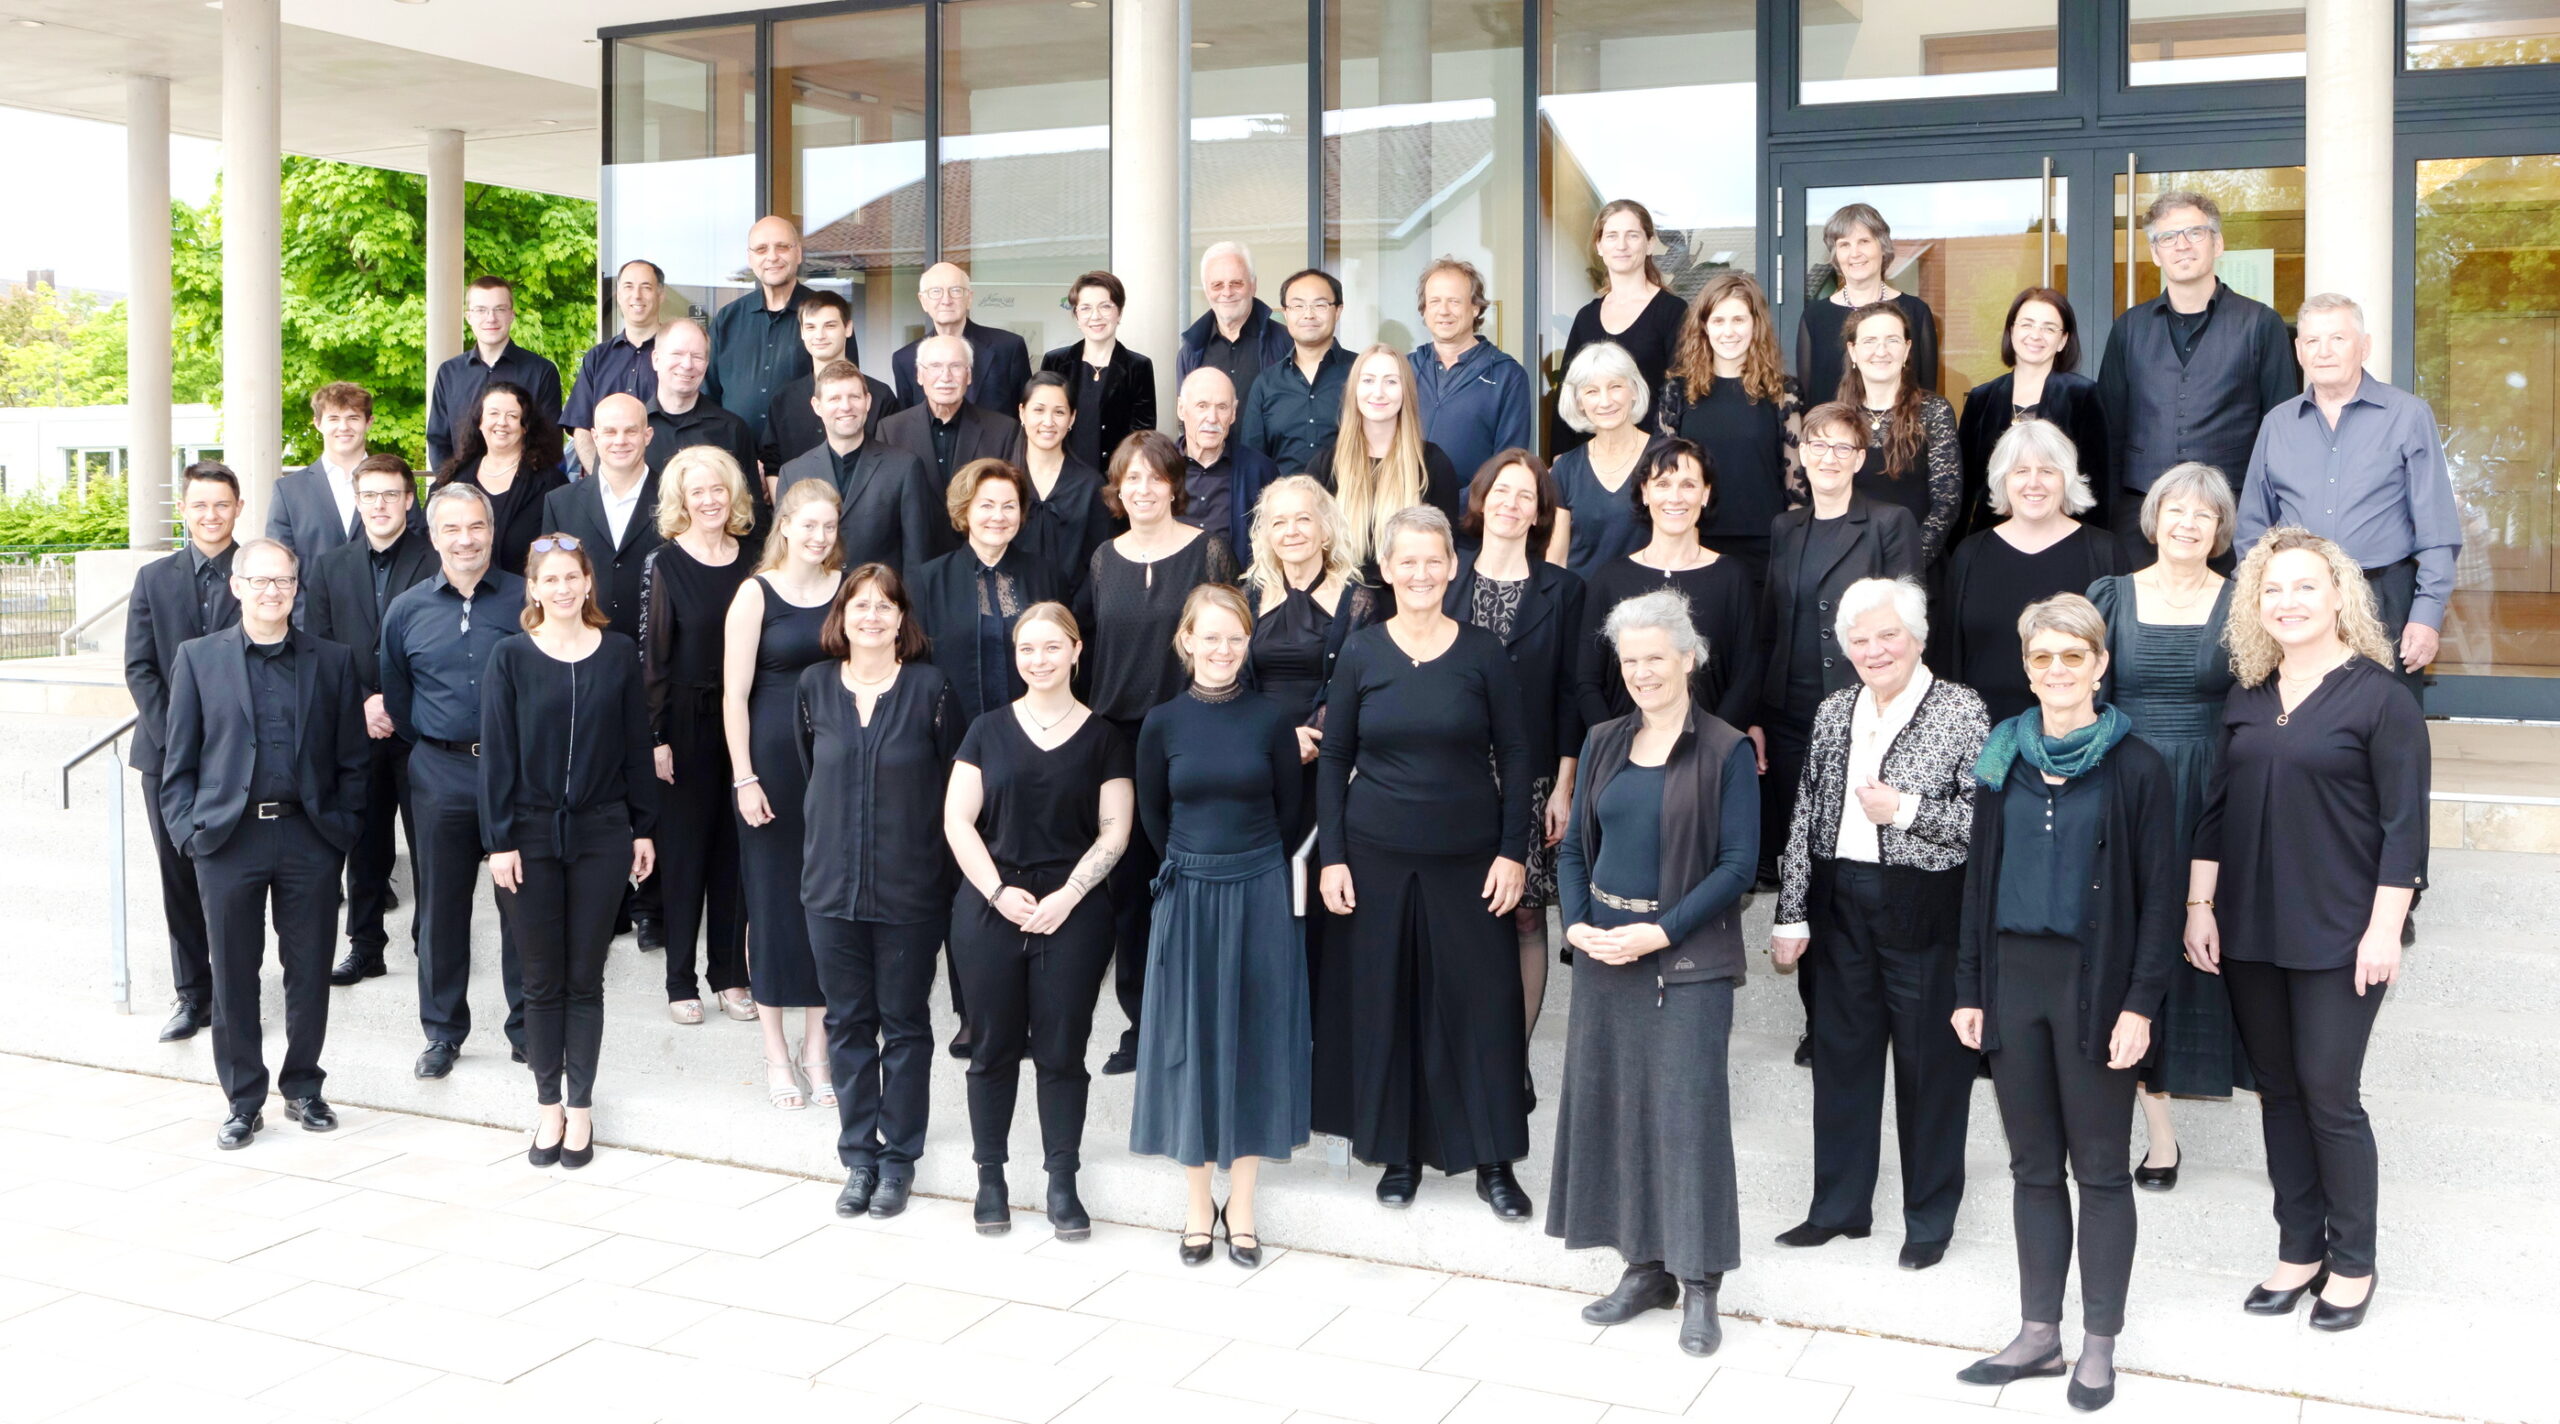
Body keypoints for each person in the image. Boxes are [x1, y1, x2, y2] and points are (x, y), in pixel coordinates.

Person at [2188, 527, 2426, 1334]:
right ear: (2255, 606)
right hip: (2251, 928)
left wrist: (2385, 931)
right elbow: (2215, 813)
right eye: (2272, 589)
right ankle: (2299, 1249)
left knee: (2328, 1093)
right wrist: (2199, 908)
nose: (2287, 602)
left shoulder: (2382, 699)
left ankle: (2352, 1261)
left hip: (2341, 933)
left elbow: (2404, 830)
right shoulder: (2249, 694)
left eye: (2304, 586)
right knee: (2280, 1093)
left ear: (2338, 598)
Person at [1951, 593, 2181, 1412]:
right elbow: (1978, 882)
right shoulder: (2000, 759)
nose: (2057, 671)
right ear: (2027, 667)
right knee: (2032, 1167)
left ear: (2100, 664)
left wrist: (2139, 1005)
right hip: (2013, 983)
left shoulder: (2138, 767)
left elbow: (2160, 900)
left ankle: (2099, 1344)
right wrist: (1970, 987)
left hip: (2096, 988)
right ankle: (2039, 1333)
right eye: (2042, 657)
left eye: (2072, 656)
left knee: (2102, 1171)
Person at [1550, 589, 1759, 1357]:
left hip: (1684, 962)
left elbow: (1738, 866)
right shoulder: (1603, 739)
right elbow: (1575, 845)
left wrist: (1659, 933)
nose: (1641, 672)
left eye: (1654, 658)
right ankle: (1646, 1269)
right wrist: (1576, 924)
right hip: (1604, 954)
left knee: (1687, 1121)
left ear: (1689, 658)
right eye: (1629, 660)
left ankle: (1699, 1282)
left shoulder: (1725, 749)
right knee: (1620, 1113)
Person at [1317, 504, 1535, 1219]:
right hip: (1375, 860)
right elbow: (1335, 758)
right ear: (1386, 569)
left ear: (1451, 567)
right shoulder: (1361, 652)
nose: (1419, 573)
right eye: (1405, 561)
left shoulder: (1483, 652)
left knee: (1483, 1007)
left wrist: (1512, 853)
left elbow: (1517, 753)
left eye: (1431, 560)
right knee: (1389, 1004)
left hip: (1470, 861)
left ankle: (1494, 1161)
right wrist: (1332, 858)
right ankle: (1399, 1154)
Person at [1770, 576, 1987, 1270]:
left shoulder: (1961, 709)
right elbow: (1806, 812)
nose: (1874, 650)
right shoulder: (1835, 710)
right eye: (1859, 640)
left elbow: (1986, 822)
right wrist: (1791, 910)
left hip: (1925, 907)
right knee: (1840, 1062)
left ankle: (1929, 1221)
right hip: (1840, 904)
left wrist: (1907, 810)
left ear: (1917, 638)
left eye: (1888, 635)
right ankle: (1837, 1209)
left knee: (1931, 1072)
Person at [158, 537, 369, 1149]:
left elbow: (353, 759)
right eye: (260, 580)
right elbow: (179, 760)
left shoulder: (332, 661)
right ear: (237, 586)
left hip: (309, 837)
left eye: (284, 581)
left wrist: (343, 830)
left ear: (297, 588)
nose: (272, 591)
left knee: (308, 971)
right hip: (229, 840)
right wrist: (190, 833)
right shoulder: (198, 658)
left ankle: (303, 1087)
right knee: (233, 974)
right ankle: (243, 1100)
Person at [1134, 584, 1309, 1267]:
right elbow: (1154, 815)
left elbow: (1289, 812)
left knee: (1256, 1039)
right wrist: (1195, 865)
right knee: (1190, 1042)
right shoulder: (1162, 723)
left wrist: (1245, 867)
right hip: (1189, 894)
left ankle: (1242, 1203)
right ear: (1186, 641)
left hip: (1259, 891)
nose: (1223, 649)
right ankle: (1196, 1202)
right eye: (1210, 637)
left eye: (1235, 637)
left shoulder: (1271, 720)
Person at [944, 601, 1132, 1239]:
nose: (1039, 659)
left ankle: (1062, 1181)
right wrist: (997, 891)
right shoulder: (986, 729)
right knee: (991, 1049)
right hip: (991, 905)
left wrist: (1069, 895)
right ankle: (990, 1179)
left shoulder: (1105, 737)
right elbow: (957, 821)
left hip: (1072, 911)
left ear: (1077, 651)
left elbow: (1114, 832)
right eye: (1027, 648)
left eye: (1053, 646)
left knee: (1061, 1052)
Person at [1751, 403, 1926, 1066]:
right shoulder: (1785, 527)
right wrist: (1758, 715)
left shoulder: (1888, 523)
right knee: (1808, 866)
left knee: (1866, 868)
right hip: (1791, 722)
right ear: (1802, 455)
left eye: (1842, 447)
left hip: (1867, 718)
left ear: (1860, 458)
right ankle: (1820, 1020)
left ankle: (1877, 1015)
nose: (1827, 457)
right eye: (1816, 445)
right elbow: (1770, 628)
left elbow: (1911, 623)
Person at [482, 534, 659, 1171]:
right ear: (533, 589)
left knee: (585, 978)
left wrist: (642, 828)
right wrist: (499, 841)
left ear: (588, 584)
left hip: (602, 833)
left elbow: (636, 745)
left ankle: (580, 1106)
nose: (562, 588)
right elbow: (497, 756)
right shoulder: (510, 657)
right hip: (528, 836)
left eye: (571, 577)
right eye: (549, 579)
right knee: (540, 981)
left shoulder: (618, 653)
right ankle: (547, 1104)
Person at [798, 564, 966, 1220]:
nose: (871, 616)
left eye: (884, 606)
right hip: (829, 889)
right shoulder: (813, 687)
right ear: (841, 617)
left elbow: (955, 787)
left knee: (904, 1025)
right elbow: (810, 774)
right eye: (859, 605)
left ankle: (898, 1160)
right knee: (846, 1024)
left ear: (902, 619)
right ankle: (858, 1159)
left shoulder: (930, 689)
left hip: (910, 890)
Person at [1076, 431, 1243, 1076]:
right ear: (1117, 490)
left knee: (1193, 878)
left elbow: (1231, 639)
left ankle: (1197, 1022)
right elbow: (1090, 646)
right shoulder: (1103, 559)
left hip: (1192, 732)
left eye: (1155, 477)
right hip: (1118, 739)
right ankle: (1142, 1024)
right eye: (1131, 479)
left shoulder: (1209, 550)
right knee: (1129, 887)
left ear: (1176, 485)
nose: (1143, 489)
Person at [2238, 293, 2462, 698]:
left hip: (2383, 599)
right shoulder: (2277, 424)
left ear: (2364, 346)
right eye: (2312, 341)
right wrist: (2259, 605)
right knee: (2300, 720)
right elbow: (2252, 528)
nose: (2323, 351)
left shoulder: (2408, 415)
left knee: (2387, 722)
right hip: (2297, 604)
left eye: (2337, 339)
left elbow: (2437, 531)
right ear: (2299, 352)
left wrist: (2426, 616)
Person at [381, 484, 528, 1078]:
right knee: (441, 908)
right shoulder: (406, 610)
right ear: (434, 536)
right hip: (439, 773)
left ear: (491, 531)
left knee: (522, 905)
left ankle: (527, 1029)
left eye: (476, 527)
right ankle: (442, 1032)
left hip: (516, 772)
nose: (465, 540)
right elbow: (398, 697)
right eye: (452, 528)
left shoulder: (527, 598)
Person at [1448, 451, 1587, 1037]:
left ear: (1539, 513)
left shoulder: (1565, 590)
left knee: (1527, 916)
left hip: (1530, 780)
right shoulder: (1445, 576)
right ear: (1481, 500)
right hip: (1451, 777)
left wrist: (1563, 786)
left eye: (1525, 495)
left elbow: (1570, 692)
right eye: (1501, 491)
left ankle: (1515, 1059)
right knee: (1460, 914)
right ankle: (1467, 1051)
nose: (1511, 504)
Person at [723, 482, 845, 1111]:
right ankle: (775, 1051)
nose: (820, 537)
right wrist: (743, 776)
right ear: (787, 526)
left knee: (826, 906)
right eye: (810, 525)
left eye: (830, 526)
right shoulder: (755, 593)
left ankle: (817, 1048)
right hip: (769, 767)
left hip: (835, 766)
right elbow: (733, 696)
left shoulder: (848, 589)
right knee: (772, 906)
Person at [2095, 192, 2297, 562]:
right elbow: (2109, 431)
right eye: (2168, 237)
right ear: (2155, 253)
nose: (2182, 245)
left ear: (2217, 243)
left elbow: (2281, 432)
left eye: (2194, 233)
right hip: (2141, 519)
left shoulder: (2261, 324)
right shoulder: (2128, 328)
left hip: (2232, 516)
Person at [304, 455, 437, 986]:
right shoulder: (328, 566)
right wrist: (363, 702)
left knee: (429, 846)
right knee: (363, 844)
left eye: (390, 495)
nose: (380, 505)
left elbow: (444, 648)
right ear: (357, 502)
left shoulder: (436, 559)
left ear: (409, 500)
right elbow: (317, 647)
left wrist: (396, 705)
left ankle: (432, 943)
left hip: (421, 729)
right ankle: (365, 947)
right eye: (370, 495)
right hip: (356, 728)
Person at [125, 462, 245, 1043]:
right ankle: (192, 993)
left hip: (239, 758)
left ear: (238, 507)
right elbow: (140, 667)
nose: (210, 515)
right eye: (199, 504)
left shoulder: (259, 573)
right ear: (183, 510)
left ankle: (234, 993)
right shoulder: (153, 578)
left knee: (232, 881)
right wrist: (178, 740)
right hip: (165, 756)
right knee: (178, 877)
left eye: (221, 504)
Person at [640, 447, 758, 1024]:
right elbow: (652, 658)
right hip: (684, 723)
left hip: (747, 719)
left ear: (733, 494)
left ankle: (730, 976)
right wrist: (656, 736)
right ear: (681, 501)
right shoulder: (665, 563)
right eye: (697, 492)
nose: (710, 500)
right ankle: (679, 980)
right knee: (685, 854)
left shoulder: (756, 559)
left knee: (736, 853)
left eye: (718, 489)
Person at [1933, 419, 2123, 724]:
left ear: (2067, 479)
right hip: (1981, 735)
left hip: (2075, 735)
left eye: (2047, 471)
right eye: (2021, 471)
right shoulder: (1969, 554)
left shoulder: (2104, 552)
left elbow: (2119, 659)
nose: (2033, 483)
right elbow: (1946, 659)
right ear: (2003, 480)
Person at [1577, 440, 1759, 732]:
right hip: (1624, 749)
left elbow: (1746, 678)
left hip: (1711, 750)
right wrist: (1613, 742)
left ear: (1705, 493)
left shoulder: (1732, 577)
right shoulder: (1608, 579)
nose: (1675, 497)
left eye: (1688, 485)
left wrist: (1713, 745)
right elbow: (1587, 681)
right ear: (1645, 492)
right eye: (1662, 484)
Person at [1655, 273, 1804, 590]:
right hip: (1692, 541)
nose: (1728, 331)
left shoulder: (1783, 392)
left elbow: (1796, 485)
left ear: (1756, 325)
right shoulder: (1677, 391)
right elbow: (1664, 475)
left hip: (1764, 547)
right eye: (1718, 320)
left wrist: (1792, 548)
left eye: (1738, 320)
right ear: (1704, 326)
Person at [914, 460, 1063, 721]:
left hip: (1034, 727)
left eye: (1009, 506)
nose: (998, 516)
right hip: (955, 729)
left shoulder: (1046, 576)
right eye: (986, 505)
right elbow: (918, 668)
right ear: (965, 510)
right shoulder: (928, 580)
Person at [1957, 288, 2106, 545]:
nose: (2036, 335)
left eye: (2049, 328)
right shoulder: (1981, 398)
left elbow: (2099, 480)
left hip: (2063, 537)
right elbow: (1965, 483)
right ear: (2011, 331)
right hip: (1992, 537)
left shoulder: (2082, 395)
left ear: (2063, 340)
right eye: (2027, 324)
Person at [773, 359, 938, 581]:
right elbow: (783, 553)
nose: (846, 406)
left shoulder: (904, 468)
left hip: (880, 597)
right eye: (834, 398)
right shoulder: (792, 473)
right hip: (814, 597)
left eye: (854, 397)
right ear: (817, 406)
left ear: (868, 401)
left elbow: (916, 559)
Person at [1306, 346, 1464, 569]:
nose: (1378, 392)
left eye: (1391, 381)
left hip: (1410, 588)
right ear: (1354, 390)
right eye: (1368, 380)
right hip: (1340, 587)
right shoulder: (1325, 466)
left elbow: (1444, 554)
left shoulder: (1433, 464)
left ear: (1406, 391)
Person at [1556, 199, 1688, 454]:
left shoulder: (1672, 312)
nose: (1622, 245)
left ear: (1650, 243)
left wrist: (1669, 457)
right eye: (1612, 236)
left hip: (1654, 457)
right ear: (1599, 246)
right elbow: (1569, 392)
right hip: (1594, 459)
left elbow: (1681, 393)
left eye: (1632, 235)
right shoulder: (1586, 318)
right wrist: (1562, 457)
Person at [1841, 302, 1962, 566]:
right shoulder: (1838, 417)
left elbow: (1946, 503)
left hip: (1916, 566)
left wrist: (1906, 562)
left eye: (1892, 340)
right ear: (1853, 350)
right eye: (1870, 341)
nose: (1881, 351)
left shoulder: (1934, 411)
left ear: (1907, 349)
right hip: (1849, 565)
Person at [542, 393, 665, 648]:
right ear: (595, 437)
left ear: (648, 435)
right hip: (582, 650)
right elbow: (550, 578)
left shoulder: (674, 497)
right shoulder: (560, 502)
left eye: (630, 431)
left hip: (659, 650)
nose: (620, 441)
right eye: (610, 432)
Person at [705, 216, 826, 463]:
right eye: (761, 249)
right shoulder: (727, 320)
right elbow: (708, 397)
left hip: (805, 463)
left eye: (782, 247)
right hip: (734, 464)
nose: (772, 257)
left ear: (798, 253)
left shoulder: (824, 315)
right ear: (750, 258)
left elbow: (842, 387)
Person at [1796, 203, 1940, 406]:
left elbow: (1928, 395)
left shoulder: (1916, 312)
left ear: (1883, 247)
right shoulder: (1815, 317)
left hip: (1901, 426)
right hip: (1833, 427)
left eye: (1863, 241)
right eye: (1844, 245)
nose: (1854, 253)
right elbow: (1808, 398)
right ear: (1835, 255)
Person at [878, 332, 1023, 529]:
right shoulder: (891, 430)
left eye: (955, 366)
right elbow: (887, 503)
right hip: (917, 545)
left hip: (978, 543)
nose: (946, 377)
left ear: (969, 375)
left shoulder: (1003, 431)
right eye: (935, 366)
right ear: (919, 375)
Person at [1410, 257, 1533, 487]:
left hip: (1471, 508)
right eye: (1434, 301)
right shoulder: (1404, 369)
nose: (1443, 311)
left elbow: (1508, 464)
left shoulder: (1507, 376)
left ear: (1475, 308)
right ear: (1424, 310)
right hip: (1403, 506)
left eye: (1454, 301)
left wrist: (1459, 503)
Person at [1548, 341, 1663, 582]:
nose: (1605, 401)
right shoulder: (1565, 469)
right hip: (1583, 600)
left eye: (1615, 387)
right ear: (1579, 402)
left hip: (1650, 600)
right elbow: (1556, 561)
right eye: (1591, 391)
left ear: (1634, 390)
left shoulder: (1665, 459)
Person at [428, 275, 564, 473]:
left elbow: (550, 443)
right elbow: (438, 441)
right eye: (480, 310)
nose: (490, 318)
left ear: (511, 315)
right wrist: (454, 484)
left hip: (524, 486)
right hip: (461, 487)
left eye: (499, 309)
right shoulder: (449, 373)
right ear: (469, 317)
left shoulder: (541, 371)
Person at [647, 318, 764, 548]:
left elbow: (752, 515)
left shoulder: (732, 429)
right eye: (677, 354)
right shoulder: (631, 432)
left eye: (697, 356)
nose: (687, 364)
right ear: (656, 359)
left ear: (707, 363)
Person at [433, 380, 569, 577]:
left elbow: (564, 551)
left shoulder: (551, 484)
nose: (502, 422)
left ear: (525, 426)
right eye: (493, 413)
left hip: (526, 593)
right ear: (480, 422)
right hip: (461, 593)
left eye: (512, 416)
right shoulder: (452, 480)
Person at [758, 290, 901, 476]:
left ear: (848, 328)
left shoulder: (880, 396)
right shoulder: (784, 400)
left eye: (830, 326)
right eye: (810, 327)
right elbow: (772, 465)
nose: (819, 335)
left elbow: (892, 463)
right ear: (802, 332)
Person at [1040, 270, 1158, 472]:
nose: (1095, 316)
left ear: (1119, 312)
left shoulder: (1138, 367)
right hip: (1062, 477)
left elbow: (1142, 436)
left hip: (1115, 477)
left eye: (1105, 306)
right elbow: (1044, 422)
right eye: (1085, 308)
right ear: (1076, 316)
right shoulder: (1055, 362)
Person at [1238, 268, 1354, 475]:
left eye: (1320, 305)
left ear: (1338, 311)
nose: (1308, 314)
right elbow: (1253, 461)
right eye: (1298, 306)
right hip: (1283, 495)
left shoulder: (1362, 373)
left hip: (1350, 495)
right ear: (1286, 313)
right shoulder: (1266, 384)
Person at [1011, 371, 1116, 597]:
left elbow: (1100, 559)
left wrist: (1073, 611)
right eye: (1039, 410)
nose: (1048, 422)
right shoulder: (1001, 480)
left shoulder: (1090, 485)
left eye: (1059, 412)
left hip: (1073, 613)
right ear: (1022, 412)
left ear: (1072, 418)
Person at [267, 384, 380, 584]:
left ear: (368, 422)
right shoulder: (288, 491)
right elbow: (278, 562)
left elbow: (414, 553)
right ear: (318, 423)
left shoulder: (397, 484)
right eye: (333, 418)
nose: (343, 427)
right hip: (310, 603)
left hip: (385, 604)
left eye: (353, 418)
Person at [891, 261, 1033, 418]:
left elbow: (1027, 414)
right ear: (923, 301)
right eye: (936, 291)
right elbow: (909, 422)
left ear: (969, 298)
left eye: (955, 290)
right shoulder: (905, 359)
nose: (946, 300)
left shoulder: (1008, 348)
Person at [566, 258, 666, 476]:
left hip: (665, 485)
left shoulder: (675, 357)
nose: (636, 295)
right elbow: (582, 429)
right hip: (604, 487)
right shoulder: (597, 358)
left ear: (660, 295)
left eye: (646, 287)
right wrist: (602, 482)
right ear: (619, 295)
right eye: (628, 287)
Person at [1175, 367, 1277, 564]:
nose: (1212, 418)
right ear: (1181, 409)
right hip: (1173, 581)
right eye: (1202, 406)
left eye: (1222, 407)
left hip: (1238, 582)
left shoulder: (1260, 470)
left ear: (1233, 414)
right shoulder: (1160, 468)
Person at [1178, 240, 1292, 398]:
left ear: (1253, 285)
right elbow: (1186, 410)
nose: (1227, 293)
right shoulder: (1190, 351)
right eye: (1217, 285)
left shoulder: (1287, 342)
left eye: (1236, 283)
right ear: (1206, 291)